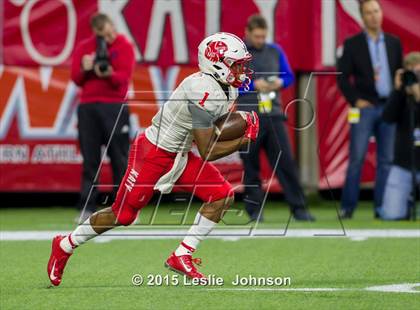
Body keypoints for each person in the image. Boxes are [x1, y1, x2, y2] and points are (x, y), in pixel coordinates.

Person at [47, 32, 260, 285]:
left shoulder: (226, 89)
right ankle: (65, 245)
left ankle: (182, 255)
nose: (241, 70)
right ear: (216, 63)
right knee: (123, 215)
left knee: (222, 195)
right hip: (153, 153)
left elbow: (214, 129)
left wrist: (240, 124)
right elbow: (208, 151)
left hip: (179, 154)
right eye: (236, 64)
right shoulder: (201, 90)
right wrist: (245, 137)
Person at [237, 14, 314, 222]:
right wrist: (254, 85)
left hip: (274, 116)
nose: (261, 40)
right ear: (247, 33)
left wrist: (279, 82)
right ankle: (254, 212)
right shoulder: (236, 54)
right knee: (250, 166)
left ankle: (299, 208)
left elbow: (288, 76)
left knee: (286, 162)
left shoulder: (275, 51)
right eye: (257, 36)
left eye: (263, 36)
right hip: (248, 118)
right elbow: (231, 84)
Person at [337, 0, 402, 219]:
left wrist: (398, 100)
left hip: (389, 107)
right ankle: (347, 207)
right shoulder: (353, 44)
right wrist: (355, 100)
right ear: (362, 17)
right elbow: (343, 78)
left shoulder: (394, 43)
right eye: (368, 13)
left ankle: (381, 208)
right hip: (365, 108)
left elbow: (399, 75)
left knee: (386, 160)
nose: (374, 16)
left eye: (376, 11)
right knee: (356, 158)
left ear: (381, 13)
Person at [71, 13, 135, 221]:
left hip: (114, 107)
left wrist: (108, 73)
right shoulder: (85, 47)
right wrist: (85, 68)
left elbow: (123, 79)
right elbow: (76, 78)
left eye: (107, 31)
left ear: (112, 26)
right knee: (90, 160)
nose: (105, 36)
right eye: (101, 33)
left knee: (120, 158)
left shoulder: (124, 46)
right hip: (88, 107)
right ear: (95, 31)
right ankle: (87, 207)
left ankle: (125, 206)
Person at [380, 52, 420, 220]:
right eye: (410, 73)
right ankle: (406, 200)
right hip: (403, 163)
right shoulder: (401, 96)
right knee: (391, 215)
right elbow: (387, 118)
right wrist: (397, 90)